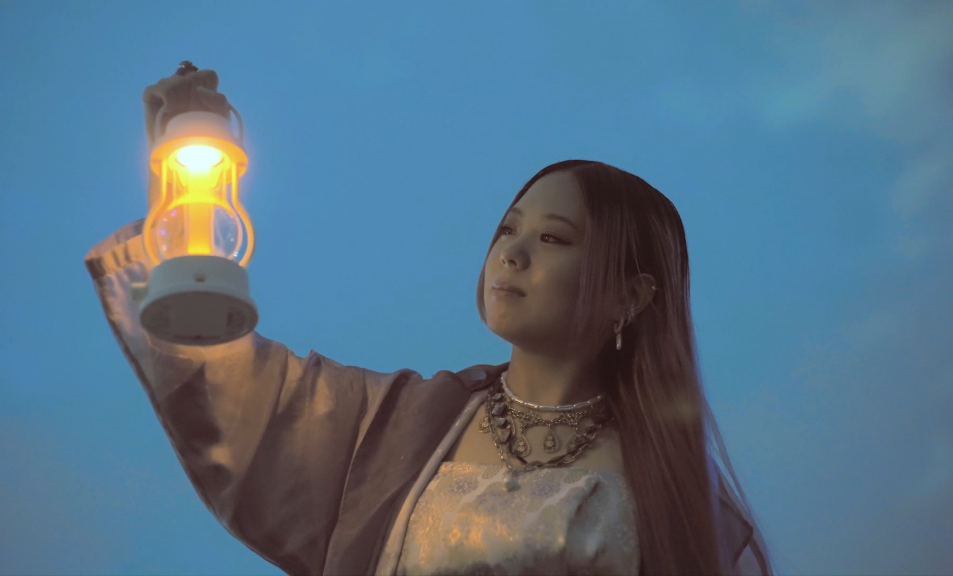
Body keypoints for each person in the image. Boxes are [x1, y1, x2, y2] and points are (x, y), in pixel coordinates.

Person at [84, 66, 773, 575]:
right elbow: (234, 391)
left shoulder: (674, 492)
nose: (512, 253)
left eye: (553, 238)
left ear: (632, 296)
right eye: (507, 229)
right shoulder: (393, 429)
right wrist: (186, 211)